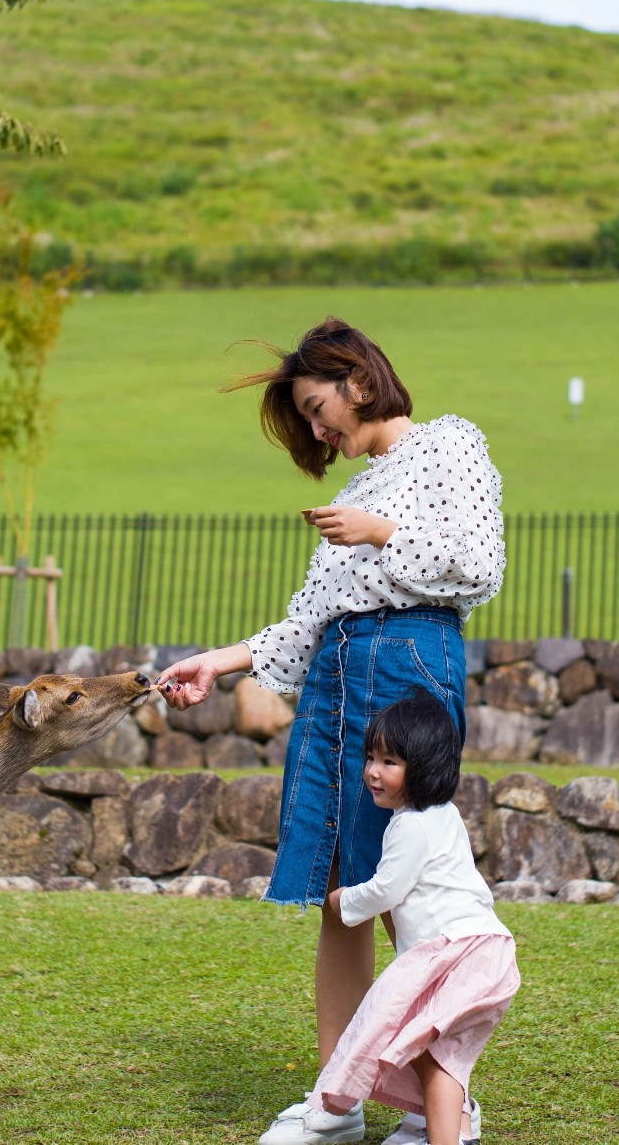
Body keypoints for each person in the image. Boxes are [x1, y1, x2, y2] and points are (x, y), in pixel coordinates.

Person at [154, 317, 505, 1145]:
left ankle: (446, 1101)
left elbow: (479, 563)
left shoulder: (449, 445)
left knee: (407, 889)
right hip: (337, 675)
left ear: (359, 378)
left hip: (410, 663)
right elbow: (306, 623)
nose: (318, 429)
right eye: (308, 419)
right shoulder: (350, 495)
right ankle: (334, 1104)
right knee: (343, 892)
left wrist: (382, 534)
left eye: (318, 408)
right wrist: (217, 662)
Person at [298, 691, 517, 1145]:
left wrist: (343, 901)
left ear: (423, 768)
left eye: (390, 762)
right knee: (440, 1056)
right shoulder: (445, 815)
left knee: (429, 1054)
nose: (373, 772)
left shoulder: (409, 826)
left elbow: (388, 888)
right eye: (372, 757)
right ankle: (456, 1133)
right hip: (485, 949)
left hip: (452, 954)